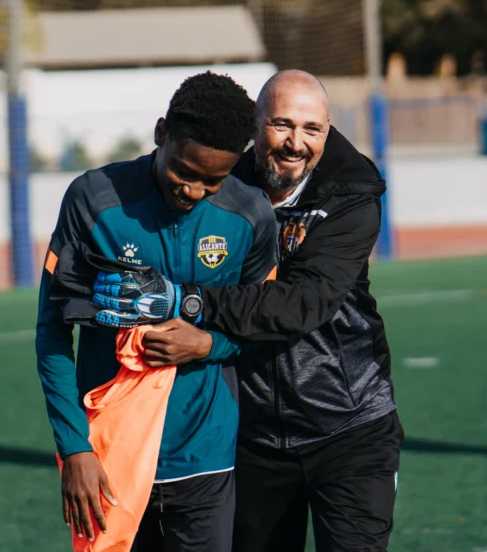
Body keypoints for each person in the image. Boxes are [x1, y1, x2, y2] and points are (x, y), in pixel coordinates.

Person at [93, 70, 402, 552]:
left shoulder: (352, 194)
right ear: (255, 125)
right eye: (281, 125)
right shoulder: (217, 179)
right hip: (251, 437)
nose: (295, 143)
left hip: (348, 427)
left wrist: (184, 300)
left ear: (327, 130)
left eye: (311, 129)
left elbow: (302, 303)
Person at [35, 71, 279, 551]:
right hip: (108, 456)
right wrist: (75, 447)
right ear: (162, 133)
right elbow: (53, 332)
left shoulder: (251, 215)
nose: (193, 190)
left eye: (213, 180)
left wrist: (210, 344)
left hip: (205, 453)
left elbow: (263, 320)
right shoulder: (94, 199)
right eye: (184, 172)